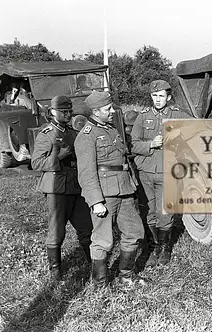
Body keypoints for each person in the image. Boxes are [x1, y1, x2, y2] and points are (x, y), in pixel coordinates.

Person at [75, 90, 147, 287]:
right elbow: (86, 173)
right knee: (103, 240)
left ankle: (126, 276)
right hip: (105, 194)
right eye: (107, 109)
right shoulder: (86, 136)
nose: (112, 111)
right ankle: (100, 284)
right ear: (96, 111)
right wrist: (96, 201)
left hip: (124, 188)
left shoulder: (111, 129)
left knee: (134, 232)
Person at [31, 95, 93, 282]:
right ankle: (56, 272)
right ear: (52, 113)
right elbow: (36, 163)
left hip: (75, 187)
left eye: (69, 111)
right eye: (63, 112)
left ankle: (93, 264)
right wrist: (58, 157)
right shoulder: (47, 134)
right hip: (56, 189)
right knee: (57, 230)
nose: (67, 114)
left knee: (86, 227)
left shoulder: (74, 132)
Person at [131, 80, 188, 266]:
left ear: (168, 97)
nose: (157, 99)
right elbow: (133, 144)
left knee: (165, 211)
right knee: (148, 210)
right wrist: (150, 144)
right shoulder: (142, 117)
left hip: (167, 171)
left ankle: (165, 248)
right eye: (154, 96)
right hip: (146, 170)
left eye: (161, 96)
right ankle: (153, 246)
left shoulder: (177, 115)